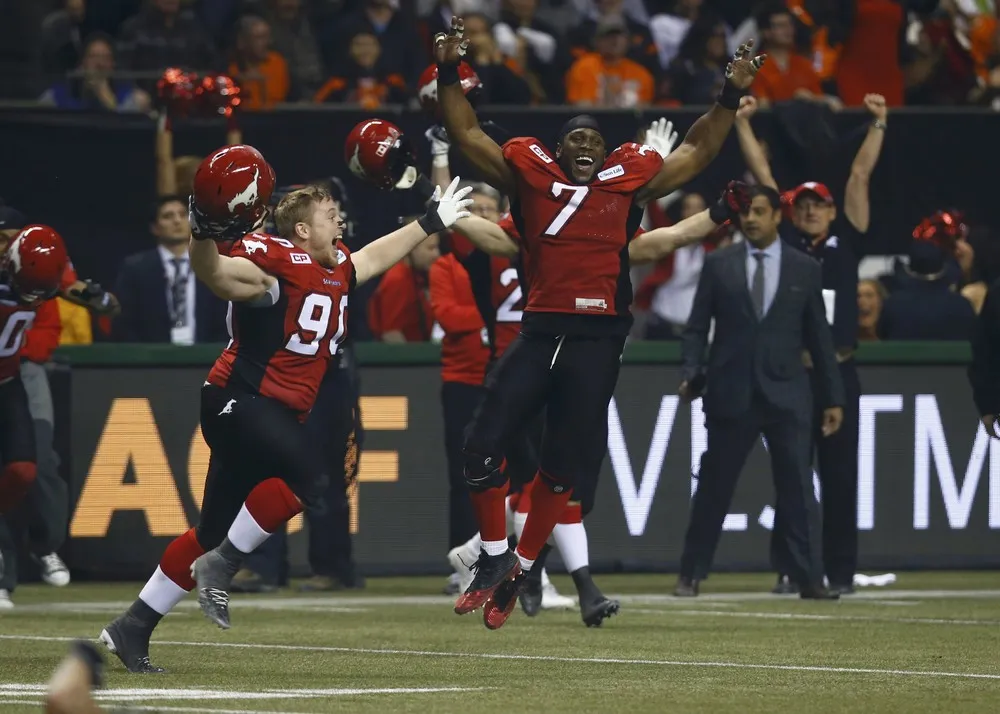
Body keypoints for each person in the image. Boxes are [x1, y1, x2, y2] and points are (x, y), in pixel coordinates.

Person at [435, 13, 765, 629]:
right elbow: (468, 134)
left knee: (562, 466)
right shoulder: (532, 178)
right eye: (575, 140)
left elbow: (697, 150)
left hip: (598, 336)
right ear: (558, 151)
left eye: (595, 140)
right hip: (540, 331)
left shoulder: (626, 183)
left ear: (608, 153)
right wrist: (451, 70)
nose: (586, 146)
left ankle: (524, 565)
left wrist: (727, 93)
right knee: (482, 442)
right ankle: (499, 557)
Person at [99, 144, 473, 672]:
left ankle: (133, 625)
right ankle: (223, 566)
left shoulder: (336, 263)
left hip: (269, 412)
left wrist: (429, 222)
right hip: (238, 401)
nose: (340, 218)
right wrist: (202, 231)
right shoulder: (273, 261)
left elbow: (369, 258)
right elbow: (218, 276)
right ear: (300, 231)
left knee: (208, 530)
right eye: (328, 214)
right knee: (312, 477)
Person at [735, 92, 886, 595]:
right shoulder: (786, 243)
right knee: (792, 474)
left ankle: (840, 572)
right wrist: (742, 125)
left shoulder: (848, 242)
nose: (812, 211)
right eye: (803, 205)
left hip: (838, 369)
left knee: (841, 479)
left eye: (819, 204)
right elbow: (761, 177)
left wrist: (878, 126)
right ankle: (791, 568)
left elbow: (860, 177)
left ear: (831, 209)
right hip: (793, 371)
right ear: (791, 212)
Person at [675, 185, 844, 599]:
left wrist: (833, 396)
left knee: (799, 491)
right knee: (714, 486)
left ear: (777, 217)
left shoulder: (805, 268)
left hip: (788, 393)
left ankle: (809, 578)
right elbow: (697, 327)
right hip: (731, 391)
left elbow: (820, 338)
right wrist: (693, 370)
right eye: (746, 212)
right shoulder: (719, 265)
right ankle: (691, 574)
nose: (750, 219)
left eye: (759, 212)